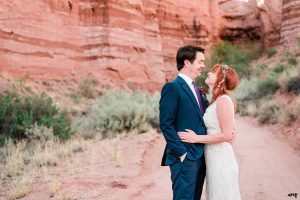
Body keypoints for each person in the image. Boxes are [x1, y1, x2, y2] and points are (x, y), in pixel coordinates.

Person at [178, 64, 241, 200]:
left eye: (213, 72)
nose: (208, 73)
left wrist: (196, 138)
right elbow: (226, 130)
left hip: (222, 162)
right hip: (213, 161)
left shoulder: (224, 100)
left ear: (221, 80)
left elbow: (226, 134)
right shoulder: (215, 101)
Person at [159, 45, 210, 200]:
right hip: (184, 156)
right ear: (187, 63)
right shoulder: (172, 88)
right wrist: (182, 153)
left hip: (201, 155)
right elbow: (166, 124)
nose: (203, 66)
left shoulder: (197, 89)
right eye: (200, 62)